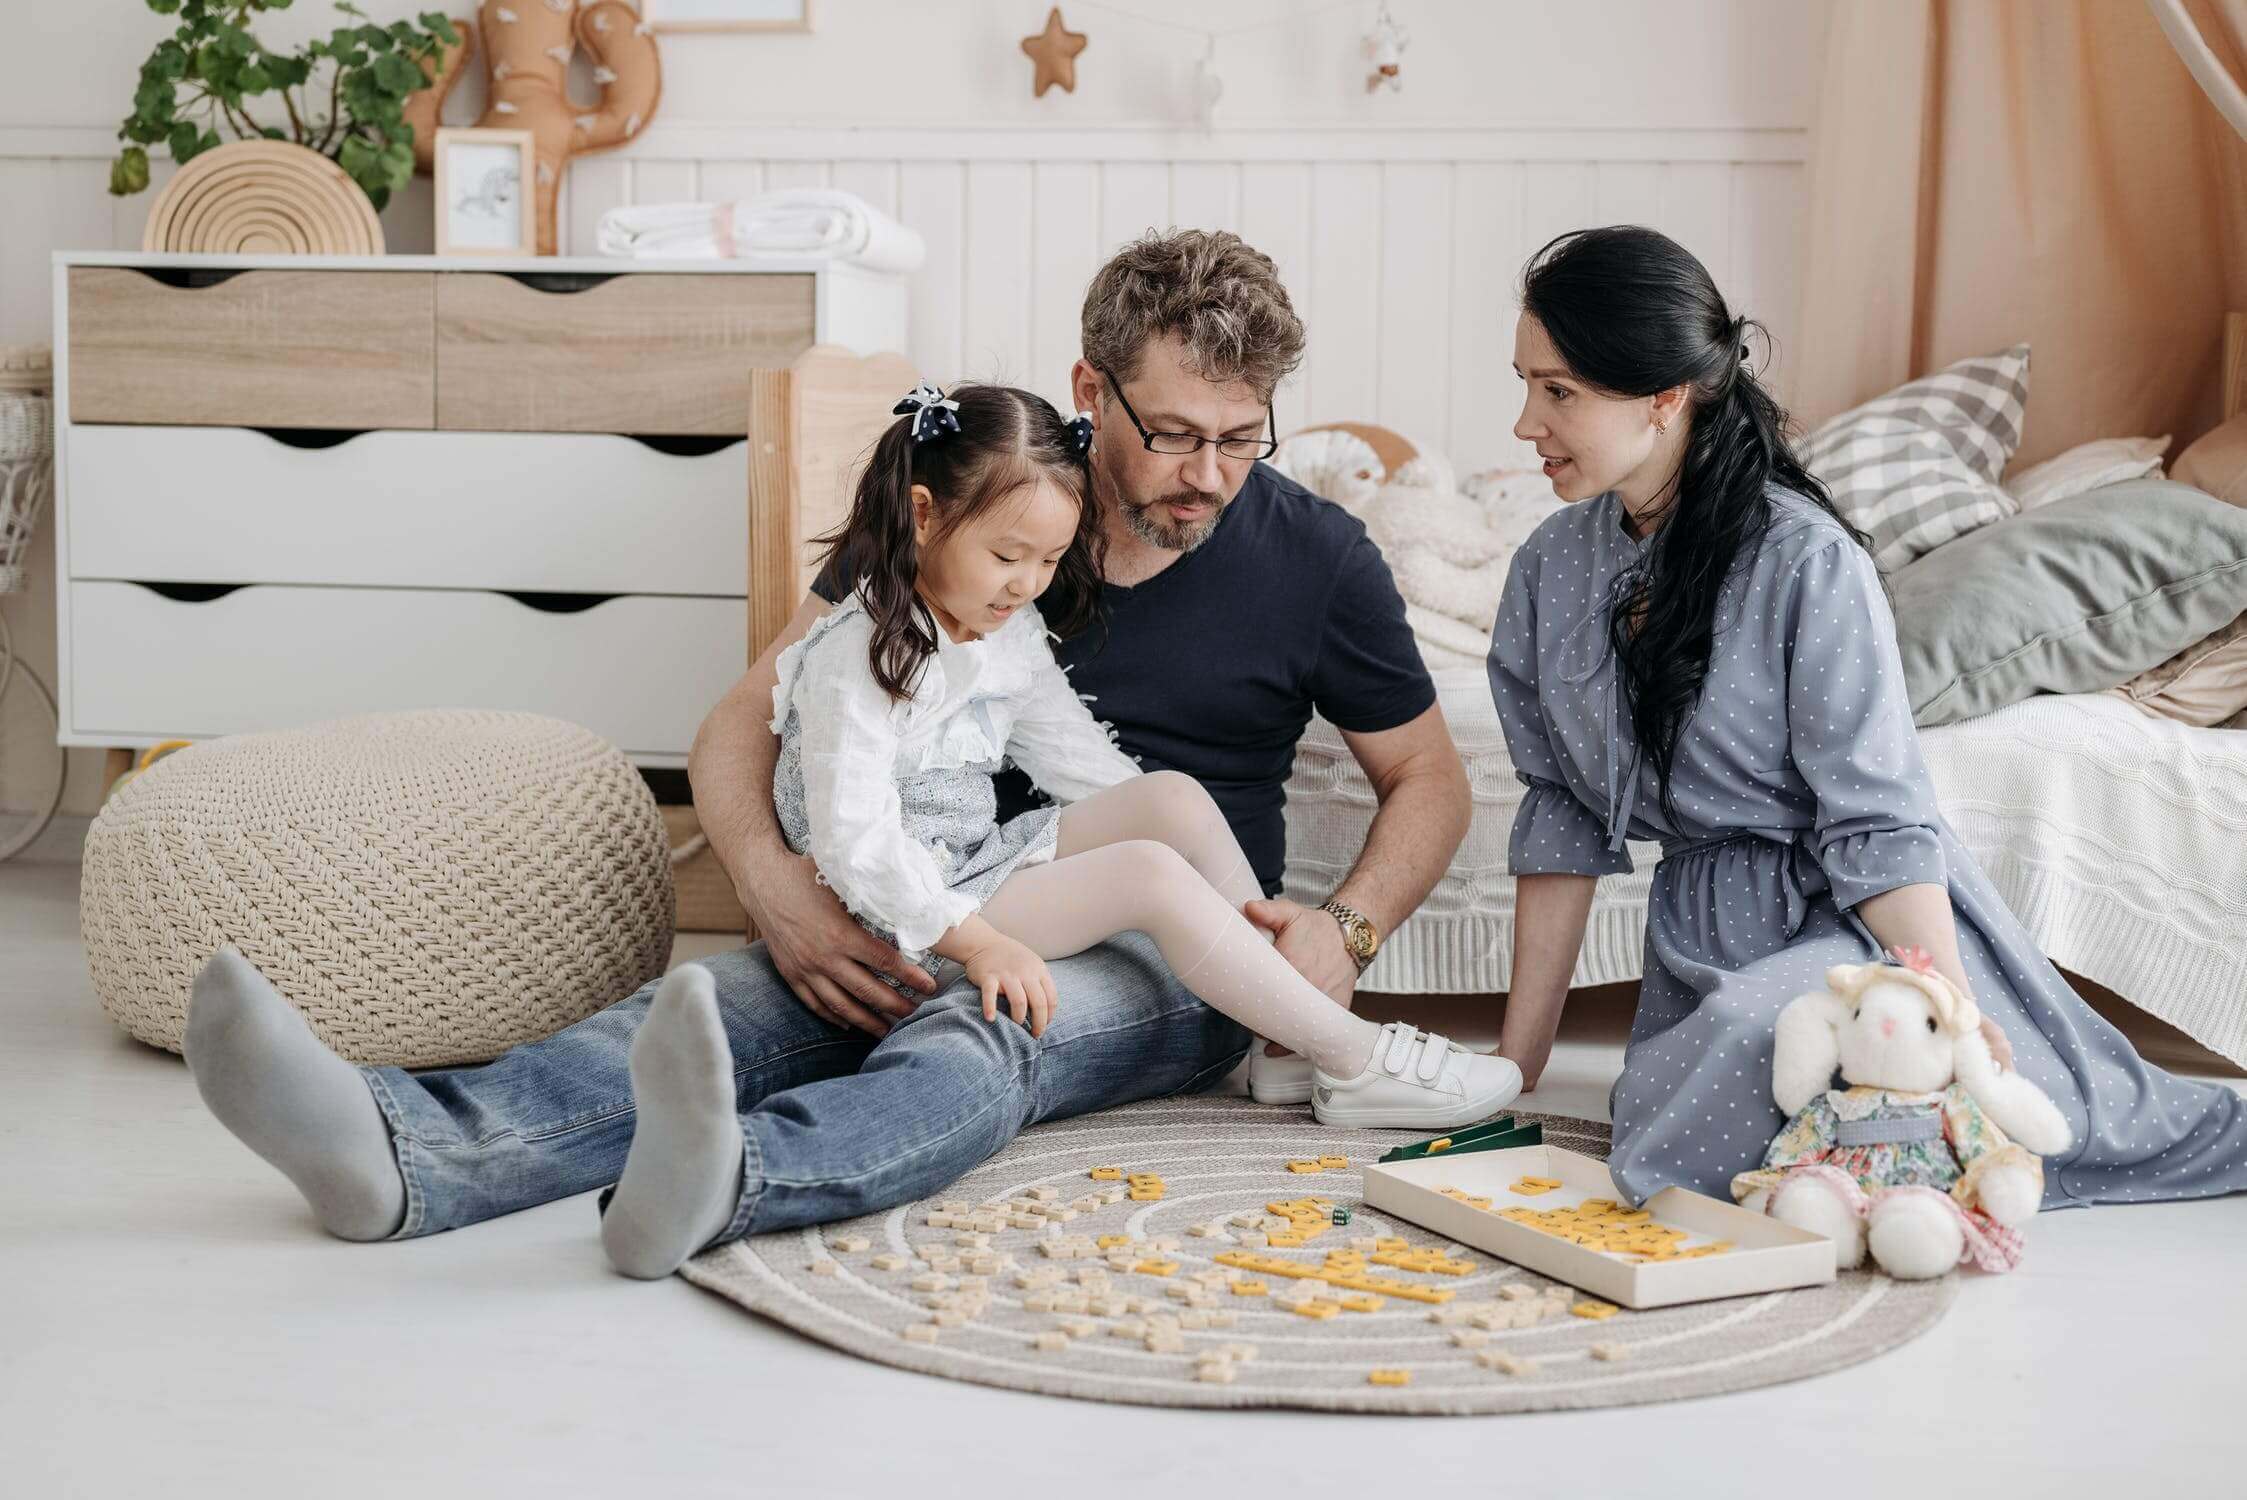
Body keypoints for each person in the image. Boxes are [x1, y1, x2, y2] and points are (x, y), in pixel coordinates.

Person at [180, 229, 1480, 1269]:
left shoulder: (1315, 556)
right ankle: (408, 1148)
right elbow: (753, 715)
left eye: (1241, 436)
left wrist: (1343, 933)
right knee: (721, 1010)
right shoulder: (979, 501)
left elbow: (1424, 779)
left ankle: (740, 1177)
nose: (1209, 472)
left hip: (1168, 947)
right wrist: (779, 887)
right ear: (1091, 393)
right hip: (923, 883)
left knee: (985, 1028)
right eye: (1176, 433)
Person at [597, 380, 1519, 1273]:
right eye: (1008, 558)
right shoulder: (857, 655)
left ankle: (1282, 1038)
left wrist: (1150, 829)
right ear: (922, 517)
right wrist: (983, 942)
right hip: (898, 906)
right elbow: (855, 844)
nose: (1028, 584)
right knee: (1147, 881)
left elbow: (1085, 766)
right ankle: (1349, 1056)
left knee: (1171, 803)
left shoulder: (1004, 627)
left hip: (968, 865)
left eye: (1047, 562)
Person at [1488, 224, 2247, 1210]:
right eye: (1526, 385)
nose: (1524, 424)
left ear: (1664, 396)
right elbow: (1563, 812)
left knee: (1743, 1087)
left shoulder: (1804, 562)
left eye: (1558, 393)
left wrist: (1957, 1017)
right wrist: (1517, 1066)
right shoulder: (1552, 566)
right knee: (1687, 1100)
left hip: (1855, 922)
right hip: (1705, 935)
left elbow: (1880, 824)